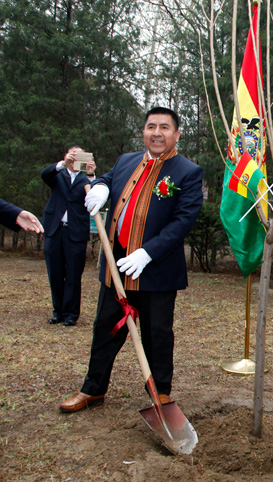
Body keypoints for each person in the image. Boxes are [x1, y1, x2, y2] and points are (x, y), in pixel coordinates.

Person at [59, 107, 203, 413]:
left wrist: (148, 252)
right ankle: (93, 389)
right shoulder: (126, 160)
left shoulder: (187, 172)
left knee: (158, 335)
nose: (157, 132)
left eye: (165, 127)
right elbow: (110, 180)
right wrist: (100, 187)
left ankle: (160, 393)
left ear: (176, 135)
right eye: (151, 126)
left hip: (155, 269)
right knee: (104, 330)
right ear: (143, 131)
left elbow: (183, 221)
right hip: (117, 266)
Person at [41, 146, 97, 327]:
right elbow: (45, 174)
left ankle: (71, 314)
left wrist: (91, 176)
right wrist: (62, 164)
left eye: (79, 155)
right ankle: (58, 312)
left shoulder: (86, 180)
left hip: (76, 233)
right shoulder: (57, 175)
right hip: (54, 230)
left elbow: (96, 197)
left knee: (73, 275)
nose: (75, 158)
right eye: (73, 155)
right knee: (55, 273)